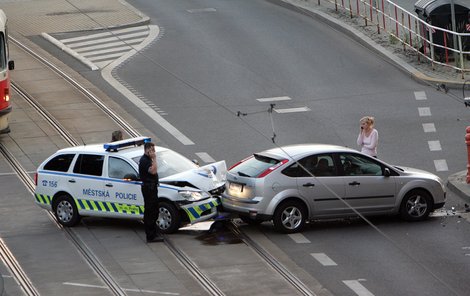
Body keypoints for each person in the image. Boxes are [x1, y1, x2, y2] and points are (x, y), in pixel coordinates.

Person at [139, 142, 164, 243]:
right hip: (148, 189)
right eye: (152, 150)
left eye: (154, 150)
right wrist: (154, 159)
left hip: (152, 188)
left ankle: (154, 232)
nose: (154, 152)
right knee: (150, 212)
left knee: (154, 211)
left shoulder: (148, 159)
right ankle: (150, 236)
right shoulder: (145, 160)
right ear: (147, 150)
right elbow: (153, 171)